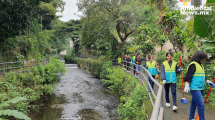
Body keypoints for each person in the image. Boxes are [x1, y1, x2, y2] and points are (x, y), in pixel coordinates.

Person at [184, 51, 215, 120]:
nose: (204, 60)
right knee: (201, 105)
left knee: (194, 104)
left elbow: (202, 76)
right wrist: (187, 85)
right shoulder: (193, 65)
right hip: (194, 88)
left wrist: (209, 82)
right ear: (200, 58)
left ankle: (191, 118)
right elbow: (188, 76)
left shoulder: (200, 65)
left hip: (201, 88)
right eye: (204, 58)